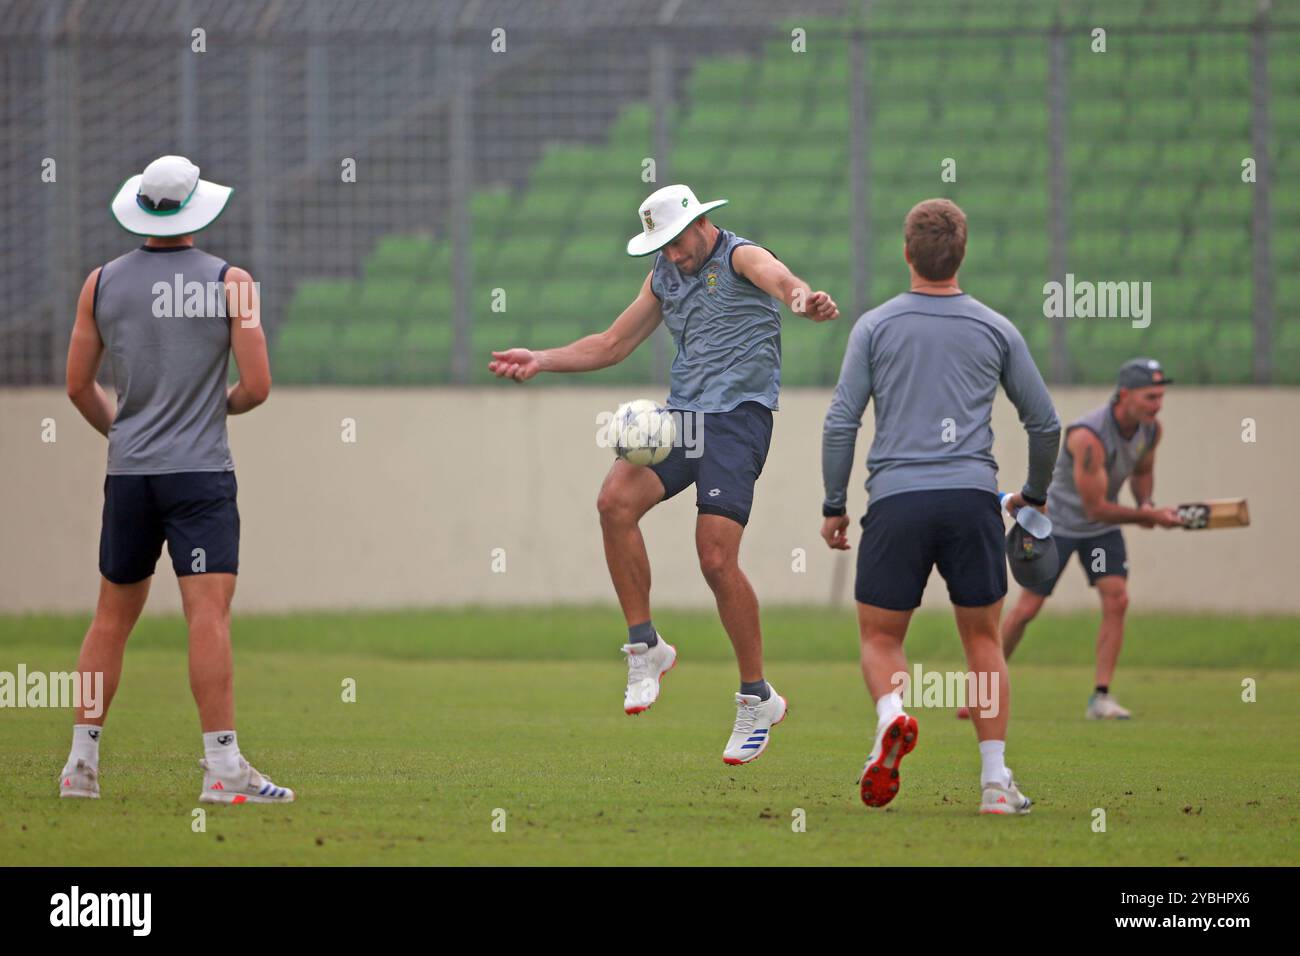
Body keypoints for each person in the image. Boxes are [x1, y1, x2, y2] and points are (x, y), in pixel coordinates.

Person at [490, 183, 838, 764]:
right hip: (684, 419)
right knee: (613, 503)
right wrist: (541, 359)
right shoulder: (663, 274)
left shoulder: (739, 255)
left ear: (701, 224)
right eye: (663, 246)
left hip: (737, 421)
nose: (672, 255)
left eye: (677, 242)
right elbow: (612, 343)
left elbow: (784, 282)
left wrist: (805, 301)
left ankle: (758, 697)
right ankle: (645, 645)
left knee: (715, 558)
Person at [59, 155, 292, 803]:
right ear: (197, 206)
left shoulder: (100, 283)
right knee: (206, 616)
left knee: (109, 619)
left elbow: (78, 385)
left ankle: (80, 766)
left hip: (130, 475)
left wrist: (123, 433)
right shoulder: (231, 281)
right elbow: (258, 387)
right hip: (199, 474)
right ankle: (222, 769)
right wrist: (219, 406)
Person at [821, 198, 1060, 814]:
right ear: (963, 253)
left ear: (907, 253)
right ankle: (994, 784)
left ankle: (893, 715)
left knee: (880, 636)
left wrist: (833, 504)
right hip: (972, 499)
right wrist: (1032, 495)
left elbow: (842, 422)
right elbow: (1046, 424)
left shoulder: (874, 327)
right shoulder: (995, 327)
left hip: (897, 500)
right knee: (983, 639)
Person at [997, 358, 1182, 719]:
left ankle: (1101, 698)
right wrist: (1146, 517)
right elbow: (1095, 507)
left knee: (1117, 599)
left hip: (1101, 531)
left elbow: (1142, 471)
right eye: (1150, 397)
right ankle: (981, 689)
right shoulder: (1088, 436)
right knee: (1026, 610)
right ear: (1125, 395)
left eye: (1160, 396)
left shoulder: (1151, 430)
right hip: (1060, 526)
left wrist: (1146, 503)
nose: (1157, 404)